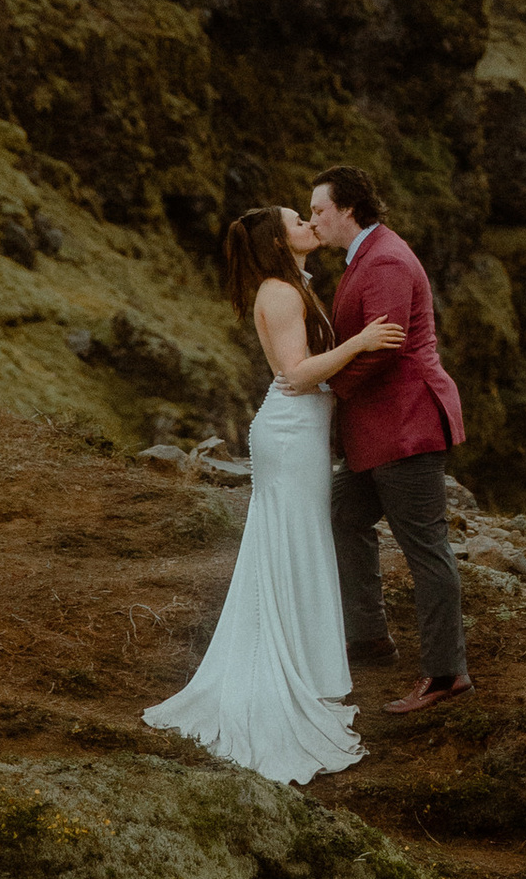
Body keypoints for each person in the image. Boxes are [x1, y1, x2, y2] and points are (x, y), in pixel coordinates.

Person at [143, 203, 404, 780]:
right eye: (297, 221)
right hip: (289, 434)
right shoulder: (280, 294)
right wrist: (361, 341)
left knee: (299, 541)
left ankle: (305, 666)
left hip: (302, 434)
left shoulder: (290, 286)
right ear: (278, 241)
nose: (310, 225)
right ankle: (286, 671)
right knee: (293, 540)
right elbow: (298, 374)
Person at [308, 164, 472, 715]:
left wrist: (329, 388)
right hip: (380, 432)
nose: (314, 221)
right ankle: (369, 637)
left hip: (408, 426)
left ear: (348, 209)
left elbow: (385, 346)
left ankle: (447, 673)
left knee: (426, 550)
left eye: (319, 211)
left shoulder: (384, 259)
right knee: (341, 515)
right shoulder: (366, 255)